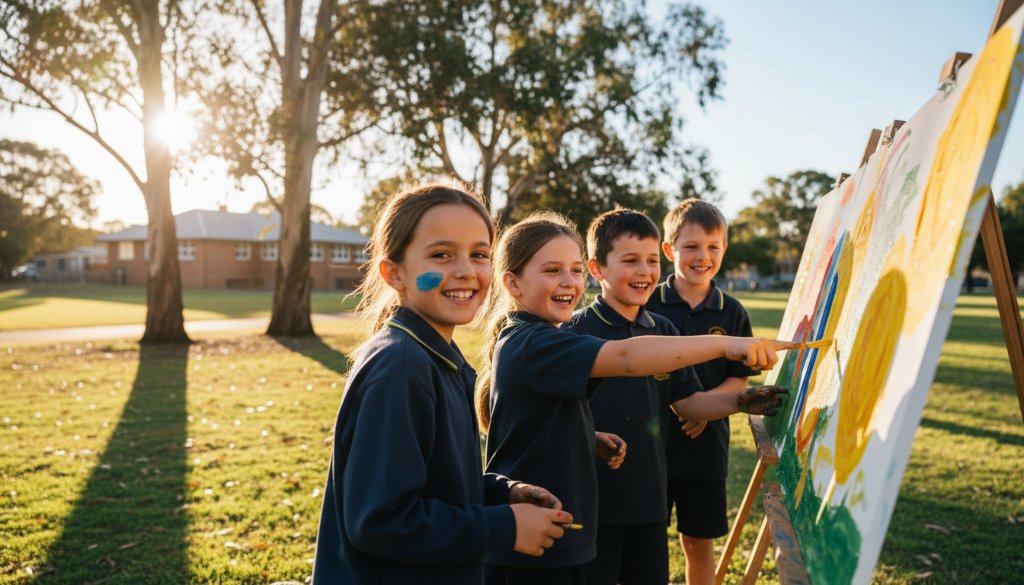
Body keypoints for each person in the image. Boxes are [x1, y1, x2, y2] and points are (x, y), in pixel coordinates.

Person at [475, 211, 794, 585]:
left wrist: (587, 439)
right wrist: (726, 344)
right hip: (541, 528)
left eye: (574, 270)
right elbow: (626, 357)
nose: (568, 281)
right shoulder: (540, 340)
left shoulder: (542, 336)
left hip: (590, 511)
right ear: (512, 283)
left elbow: (684, 401)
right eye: (552, 270)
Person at [312, 183, 571, 585]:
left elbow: (434, 484)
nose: (467, 270)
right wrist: (503, 527)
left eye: (479, 254)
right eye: (441, 255)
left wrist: (502, 493)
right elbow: (380, 520)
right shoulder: (399, 369)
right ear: (394, 272)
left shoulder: (436, 357)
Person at [645, 198, 760, 585]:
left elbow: (737, 380)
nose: (702, 256)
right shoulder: (646, 303)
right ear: (669, 250)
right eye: (691, 246)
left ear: (724, 249)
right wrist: (683, 407)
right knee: (643, 541)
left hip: (705, 446)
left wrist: (704, 409)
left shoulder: (733, 311)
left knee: (698, 542)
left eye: (713, 247)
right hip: (649, 445)